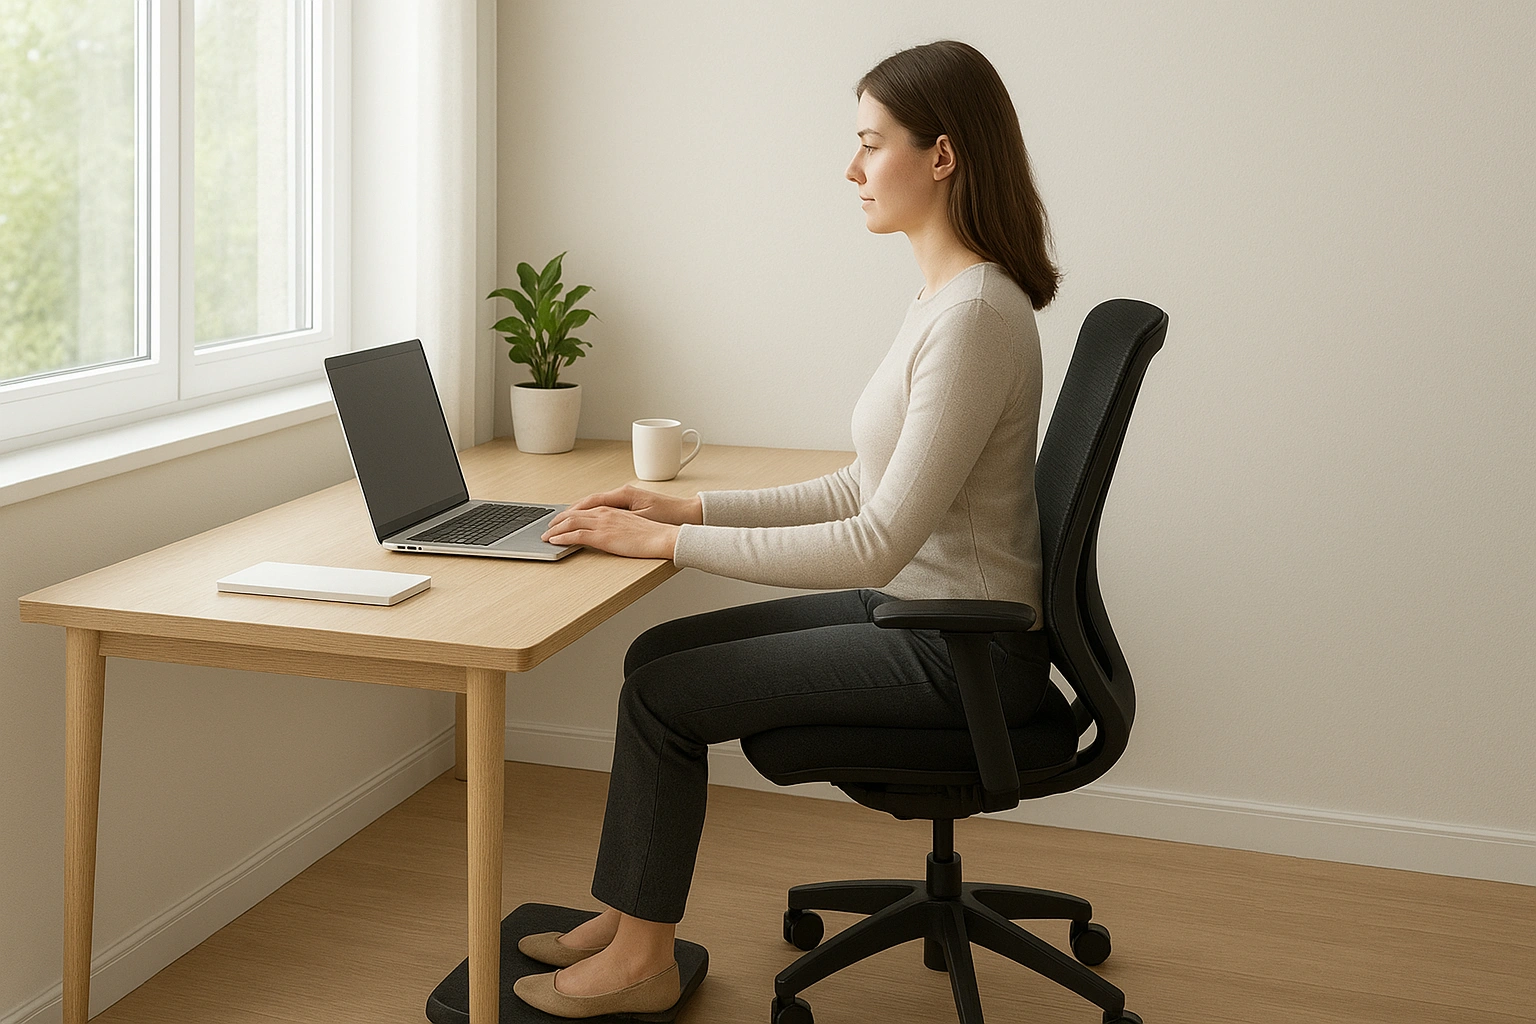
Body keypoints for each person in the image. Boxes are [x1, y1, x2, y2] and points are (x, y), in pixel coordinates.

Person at [511, 39, 1061, 1018]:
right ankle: (632, 913)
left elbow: (873, 540)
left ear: (941, 156)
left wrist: (667, 545)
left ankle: (639, 959)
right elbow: (865, 482)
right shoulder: (946, 298)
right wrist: (686, 506)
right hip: (927, 619)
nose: (850, 170)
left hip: (956, 652)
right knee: (658, 655)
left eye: (869, 143)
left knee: (668, 695)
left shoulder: (974, 314)